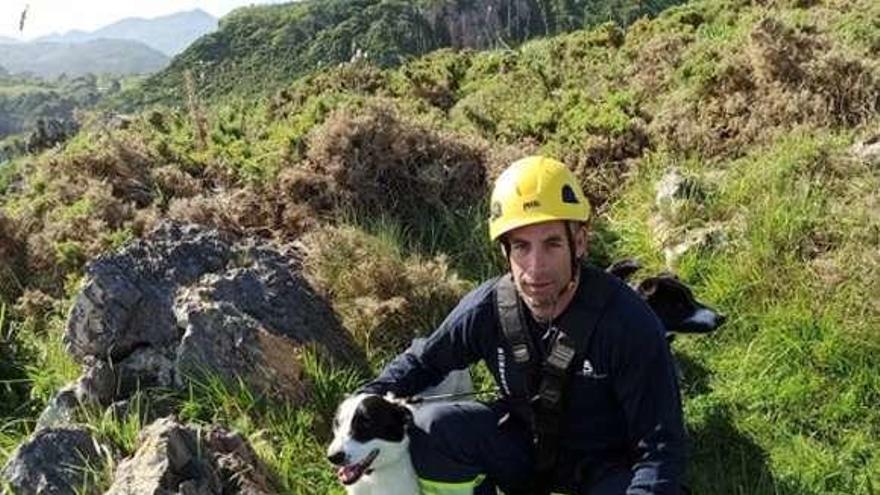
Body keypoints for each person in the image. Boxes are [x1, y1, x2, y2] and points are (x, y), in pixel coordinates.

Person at [358, 156, 686, 495]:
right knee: (431, 429)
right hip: (523, 446)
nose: (535, 267)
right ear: (505, 252)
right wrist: (361, 401)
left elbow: (661, 447)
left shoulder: (628, 323)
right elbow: (424, 362)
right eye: (521, 246)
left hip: (607, 465)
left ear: (581, 242)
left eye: (552, 244)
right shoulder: (487, 309)